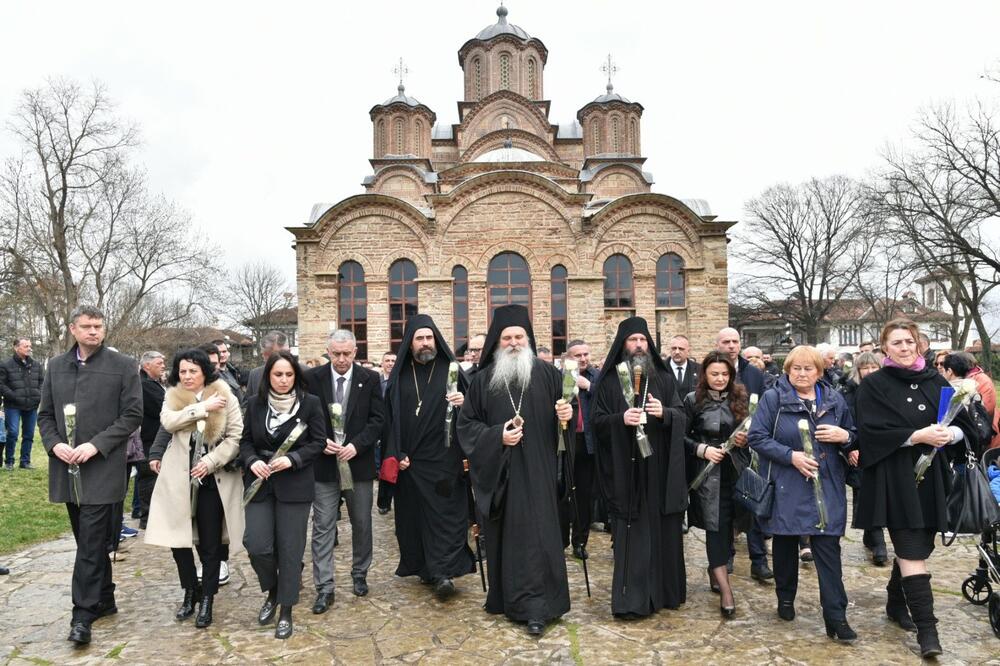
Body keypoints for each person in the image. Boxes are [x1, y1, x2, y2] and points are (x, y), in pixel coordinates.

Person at [855, 319, 977, 658]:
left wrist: (947, 435)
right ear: (885, 349)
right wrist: (915, 436)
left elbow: (963, 427)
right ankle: (928, 631)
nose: (905, 348)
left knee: (919, 549)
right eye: (897, 343)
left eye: (909, 341)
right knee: (911, 551)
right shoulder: (874, 385)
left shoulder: (935, 379)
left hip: (932, 478)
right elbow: (870, 431)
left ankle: (896, 602)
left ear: (918, 345)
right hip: (895, 479)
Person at [457, 305, 572, 636]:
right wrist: (498, 436)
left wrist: (566, 414)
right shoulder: (482, 382)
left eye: (519, 336)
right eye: (506, 337)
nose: (513, 343)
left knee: (541, 538)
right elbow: (467, 427)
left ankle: (539, 607)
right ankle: (512, 601)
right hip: (503, 477)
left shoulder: (550, 375)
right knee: (512, 540)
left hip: (540, 474)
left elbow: (567, 423)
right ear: (497, 342)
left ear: (529, 339)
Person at [37, 305, 143, 646]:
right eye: (87, 326)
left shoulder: (123, 366)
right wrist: (54, 445)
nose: (94, 331)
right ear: (73, 329)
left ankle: (82, 615)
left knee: (90, 542)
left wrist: (96, 446)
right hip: (67, 469)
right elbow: (44, 415)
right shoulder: (55, 366)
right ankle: (106, 597)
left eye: (99, 325)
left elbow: (132, 415)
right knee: (88, 541)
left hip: (103, 468)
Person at [748, 345, 857, 642]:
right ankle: (785, 598)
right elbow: (757, 437)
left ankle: (836, 616)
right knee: (784, 544)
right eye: (796, 368)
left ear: (819, 372)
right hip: (788, 483)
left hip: (827, 483)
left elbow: (852, 432)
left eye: (808, 368)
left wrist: (845, 436)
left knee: (828, 549)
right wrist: (790, 456)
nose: (802, 373)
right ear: (787, 370)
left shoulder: (834, 400)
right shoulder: (775, 399)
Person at [592, 317, 687, 619]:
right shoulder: (608, 381)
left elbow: (683, 415)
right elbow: (596, 423)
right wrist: (620, 419)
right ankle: (632, 600)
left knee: (662, 531)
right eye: (633, 340)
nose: (638, 345)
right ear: (623, 344)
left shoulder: (663, 377)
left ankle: (664, 594)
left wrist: (666, 414)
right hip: (626, 471)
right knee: (632, 535)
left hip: (658, 469)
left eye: (643, 340)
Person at [145, 347, 244, 630]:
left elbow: (236, 436)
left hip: (212, 478)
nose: (187, 376)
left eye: (193, 371)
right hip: (177, 477)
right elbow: (168, 421)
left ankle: (208, 598)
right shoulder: (173, 395)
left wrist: (211, 461)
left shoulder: (224, 394)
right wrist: (201, 408)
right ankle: (190, 590)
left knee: (210, 543)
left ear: (205, 372)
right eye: (182, 371)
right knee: (178, 541)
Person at [382, 315, 476, 600]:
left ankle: (444, 572)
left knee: (447, 517)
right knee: (417, 519)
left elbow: (476, 410)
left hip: (446, 460)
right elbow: (388, 421)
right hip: (412, 462)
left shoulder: (452, 371)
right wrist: (397, 453)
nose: (425, 343)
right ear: (409, 343)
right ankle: (426, 567)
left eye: (429, 338)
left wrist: (465, 402)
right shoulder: (399, 377)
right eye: (419, 338)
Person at [241, 350, 326, 639]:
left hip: (295, 485)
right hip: (261, 484)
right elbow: (246, 442)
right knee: (256, 545)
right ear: (268, 376)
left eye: (289, 374)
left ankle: (286, 610)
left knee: (290, 550)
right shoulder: (254, 404)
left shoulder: (310, 404)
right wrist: (252, 461)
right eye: (278, 374)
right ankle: (274, 590)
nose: (284, 379)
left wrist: (294, 459)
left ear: (296, 376)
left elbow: (317, 443)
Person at [305, 330, 385, 613]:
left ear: (355, 352)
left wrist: (357, 445)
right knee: (323, 526)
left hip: (358, 464)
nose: (341, 359)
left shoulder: (370, 379)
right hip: (324, 465)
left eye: (346, 353)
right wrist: (319, 442)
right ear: (328, 351)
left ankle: (360, 572)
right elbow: (305, 416)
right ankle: (324, 586)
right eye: (335, 353)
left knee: (362, 522)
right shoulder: (312, 379)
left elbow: (378, 420)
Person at [684, 352, 750, 618]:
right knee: (715, 529)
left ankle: (716, 569)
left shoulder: (740, 399)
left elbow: (753, 432)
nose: (720, 378)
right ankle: (726, 589)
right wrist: (703, 450)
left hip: (736, 472)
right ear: (705, 375)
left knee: (732, 527)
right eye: (715, 374)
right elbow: (681, 437)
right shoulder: (693, 401)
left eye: (725, 374)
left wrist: (747, 440)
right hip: (708, 477)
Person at [715, 327, 771, 582]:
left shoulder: (754, 373)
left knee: (755, 504)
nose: (731, 345)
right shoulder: (711, 370)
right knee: (727, 505)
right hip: (723, 449)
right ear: (718, 344)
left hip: (751, 448)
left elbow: (762, 408)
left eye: (735, 341)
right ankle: (726, 556)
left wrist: (754, 434)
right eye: (726, 341)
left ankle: (758, 560)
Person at [839, 352, 887, 565]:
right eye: (864, 368)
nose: (869, 372)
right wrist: (851, 447)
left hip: (883, 448)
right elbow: (846, 421)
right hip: (859, 448)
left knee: (880, 494)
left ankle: (872, 535)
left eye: (873, 367)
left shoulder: (887, 390)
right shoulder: (849, 393)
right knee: (865, 493)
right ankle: (877, 541)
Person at [559, 339, 598, 560]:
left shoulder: (595, 377)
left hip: (587, 443)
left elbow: (606, 399)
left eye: (586, 354)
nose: (583, 359)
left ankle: (580, 541)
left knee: (584, 496)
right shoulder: (558, 377)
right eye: (577, 355)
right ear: (567, 358)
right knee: (563, 493)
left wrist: (589, 387)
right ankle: (561, 540)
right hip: (565, 442)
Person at [1, 337, 44, 469]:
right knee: (12, 433)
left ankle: (25, 461)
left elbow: (42, 382)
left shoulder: (36, 365)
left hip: (31, 405)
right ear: (16, 347)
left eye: (30, 346)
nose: (29, 348)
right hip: (12, 405)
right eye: (25, 346)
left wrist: (38, 395)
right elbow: (1, 384)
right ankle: (9, 461)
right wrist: (14, 396)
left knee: (29, 434)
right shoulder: (5, 364)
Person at [136, 352, 166, 529]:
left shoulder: (154, 383)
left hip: (154, 438)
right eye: (159, 363)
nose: (163, 366)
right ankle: (147, 517)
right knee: (149, 477)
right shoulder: (144, 385)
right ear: (147, 366)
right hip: (148, 439)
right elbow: (161, 409)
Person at [245, 332, 290, 406]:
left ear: (288, 351)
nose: (265, 358)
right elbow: (247, 405)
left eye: (272, 355)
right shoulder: (255, 374)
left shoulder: (305, 372)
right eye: (264, 354)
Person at [666, 335, 699, 400]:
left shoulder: (699, 369)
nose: (677, 352)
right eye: (674, 348)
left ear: (688, 351)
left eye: (681, 349)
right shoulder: (661, 368)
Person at [213, 339, 245, 403]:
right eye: (218, 352)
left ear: (228, 353)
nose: (222, 355)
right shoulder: (211, 375)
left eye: (224, 351)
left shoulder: (234, 371)